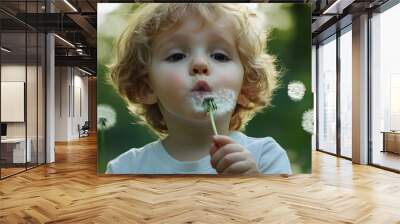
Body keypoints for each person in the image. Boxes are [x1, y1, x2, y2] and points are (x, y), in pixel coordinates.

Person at [106, 3, 292, 175]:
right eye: (177, 56)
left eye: (219, 56)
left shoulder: (265, 157)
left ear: (246, 86)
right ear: (146, 86)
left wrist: (251, 185)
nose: (200, 64)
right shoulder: (124, 169)